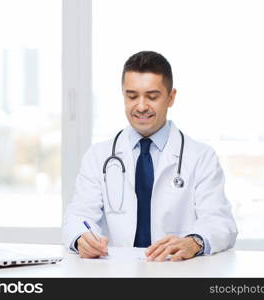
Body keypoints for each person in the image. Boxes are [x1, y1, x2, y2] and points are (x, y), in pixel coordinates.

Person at [61, 51, 237, 261]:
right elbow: (78, 215)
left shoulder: (201, 157)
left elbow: (220, 222)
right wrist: (82, 237)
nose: (141, 106)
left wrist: (193, 242)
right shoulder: (98, 156)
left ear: (171, 98)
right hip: (116, 273)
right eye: (132, 96)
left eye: (152, 96)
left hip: (175, 272)